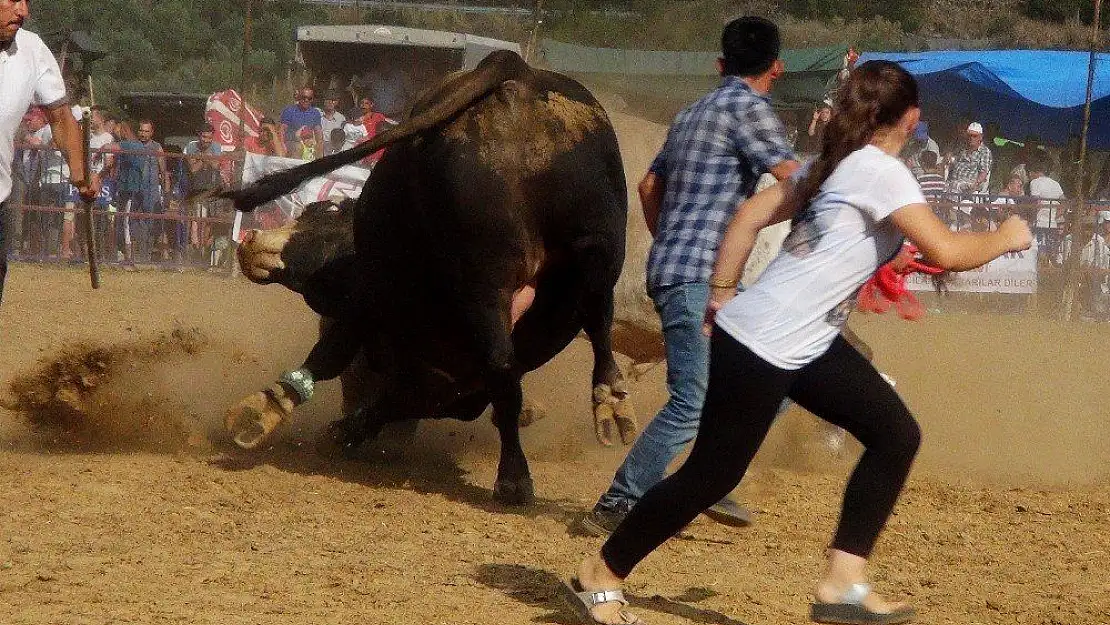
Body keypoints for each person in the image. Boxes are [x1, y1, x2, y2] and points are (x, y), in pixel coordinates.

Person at [564, 60, 1032, 625]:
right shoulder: (881, 172)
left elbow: (748, 216)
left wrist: (722, 293)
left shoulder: (828, 164)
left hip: (799, 339)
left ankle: (842, 582)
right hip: (768, 342)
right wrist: (1009, 235)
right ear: (911, 118)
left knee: (894, 433)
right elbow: (949, 252)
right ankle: (601, 573)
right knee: (712, 475)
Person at [576, 16, 800, 538]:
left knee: (778, 379)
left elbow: (649, 185)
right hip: (705, 278)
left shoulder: (691, 112)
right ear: (778, 69)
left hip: (683, 269)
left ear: (720, 66)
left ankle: (708, 480)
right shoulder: (751, 109)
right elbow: (795, 178)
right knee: (692, 400)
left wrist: (671, 240)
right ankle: (618, 502)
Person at [0, 0, 98, 301]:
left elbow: (60, 117)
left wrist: (82, 175)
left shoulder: (32, 50)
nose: (23, 11)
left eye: (25, 2)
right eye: (12, 0)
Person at [115, 119, 169, 267]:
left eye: (146, 131)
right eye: (141, 130)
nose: (143, 134)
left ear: (152, 132)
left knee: (150, 224)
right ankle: (132, 256)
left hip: (151, 192)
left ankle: (146, 256)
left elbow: (164, 172)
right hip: (133, 190)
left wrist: (167, 193)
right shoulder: (132, 146)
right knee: (130, 223)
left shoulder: (157, 147)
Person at [946, 122, 992, 195]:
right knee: (941, 186)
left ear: (980, 137)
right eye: (969, 135)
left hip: (970, 184)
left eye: (974, 136)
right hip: (954, 181)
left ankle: (948, 205)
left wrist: (976, 183)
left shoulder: (984, 151)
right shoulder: (962, 149)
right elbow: (952, 163)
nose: (971, 138)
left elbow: (983, 172)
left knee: (955, 187)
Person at [319, 90, 346, 156]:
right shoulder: (317, 114)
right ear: (324, 101)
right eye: (328, 100)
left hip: (333, 151)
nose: (330, 102)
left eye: (333, 100)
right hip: (317, 148)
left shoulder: (341, 118)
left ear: (337, 102)